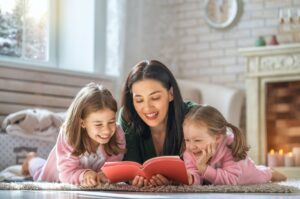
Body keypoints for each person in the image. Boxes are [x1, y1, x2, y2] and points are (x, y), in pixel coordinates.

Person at [22, 82, 126, 187]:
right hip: (58, 173)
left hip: (89, 178)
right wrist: (84, 174)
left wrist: (103, 174)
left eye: (111, 122)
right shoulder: (69, 134)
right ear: (82, 123)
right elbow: (66, 174)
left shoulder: (117, 133)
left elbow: (113, 166)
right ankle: (30, 159)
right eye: (98, 124)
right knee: (39, 171)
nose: (107, 131)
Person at [119, 60, 197, 187]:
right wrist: (133, 179)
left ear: (170, 94)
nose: (147, 108)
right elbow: (129, 165)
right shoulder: (128, 115)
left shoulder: (193, 114)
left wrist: (175, 182)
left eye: (155, 98)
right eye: (139, 100)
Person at [182, 105, 287, 185]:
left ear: (217, 138)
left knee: (260, 175)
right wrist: (190, 178)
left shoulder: (230, 146)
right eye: (187, 140)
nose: (191, 146)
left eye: (197, 140)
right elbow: (194, 173)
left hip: (244, 171)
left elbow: (232, 180)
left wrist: (204, 169)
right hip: (226, 170)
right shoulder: (191, 150)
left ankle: (270, 172)